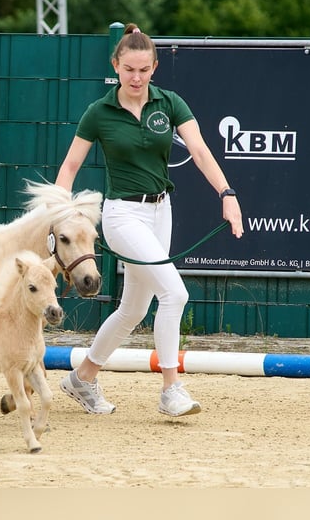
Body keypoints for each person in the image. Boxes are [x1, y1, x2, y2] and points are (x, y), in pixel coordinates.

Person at [56, 23, 244, 417]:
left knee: (134, 310)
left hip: (162, 210)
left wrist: (227, 194)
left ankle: (82, 378)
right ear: (116, 65)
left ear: (155, 67)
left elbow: (200, 150)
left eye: (144, 70)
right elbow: (70, 166)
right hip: (123, 214)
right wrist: (60, 215)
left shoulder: (170, 103)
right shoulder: (99, 112)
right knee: (175, 293)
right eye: (129, 70)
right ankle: (171, 389)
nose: (137, 77)